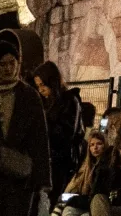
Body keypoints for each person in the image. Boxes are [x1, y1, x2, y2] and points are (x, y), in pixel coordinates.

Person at [0, 30, 51, 216]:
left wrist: (41, 181)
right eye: (2, 64)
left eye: (12, 63)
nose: (8, 69)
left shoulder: (29, 95)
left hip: (20, 177)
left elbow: (40, 137)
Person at [34, 61, 86, 208]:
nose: (40, 90)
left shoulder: (70, 102)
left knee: (55, 203)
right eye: (38, 86)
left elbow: (67, 134)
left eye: (43, 85)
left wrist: (44, 125)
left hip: (61, 163)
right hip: (47, 161)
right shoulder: (45, 103)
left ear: (52, 82)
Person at [58, 129, 121, 216]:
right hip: (86, 202)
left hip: (98, 203)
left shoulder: (107, 165)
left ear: (105, 145)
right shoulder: (87, 167)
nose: (95, 148)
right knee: (68, 210)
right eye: (92, 145)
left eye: (99, 144)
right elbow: (75, 186)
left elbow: (98, 192)